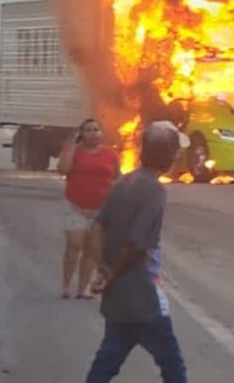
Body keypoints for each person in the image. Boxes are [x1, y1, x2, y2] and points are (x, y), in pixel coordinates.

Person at [84, 121, 187, 383]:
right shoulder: (154, 190)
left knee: (108, 358)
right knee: (172, 363)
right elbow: (137, 242)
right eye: (175, 151)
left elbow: (97, 225)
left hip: (120, 294)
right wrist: (113, 274)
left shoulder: (124, 181)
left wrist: (102, 268)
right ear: (168, 156)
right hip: (142, 292)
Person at [58, 118, 120, 299]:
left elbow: (117, 177)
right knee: (74, 244)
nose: (93, 133)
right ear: (81, 134)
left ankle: (83, 288)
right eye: (88, 130)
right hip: (75, 206)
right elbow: (63, 170)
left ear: (102, 133)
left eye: (96, 130)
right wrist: (70, 148)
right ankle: (66, 284)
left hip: (100, 210)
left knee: (92, 249)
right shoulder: (73, 151)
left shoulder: (111, 154)